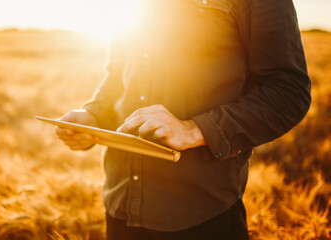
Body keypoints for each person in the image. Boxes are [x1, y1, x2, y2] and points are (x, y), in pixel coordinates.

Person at [56, 0, 311, 239]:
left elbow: (288, 91)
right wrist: (93, 116)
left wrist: (193, 129)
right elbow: (118, 78)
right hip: (120, 208)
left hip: (202, 215)